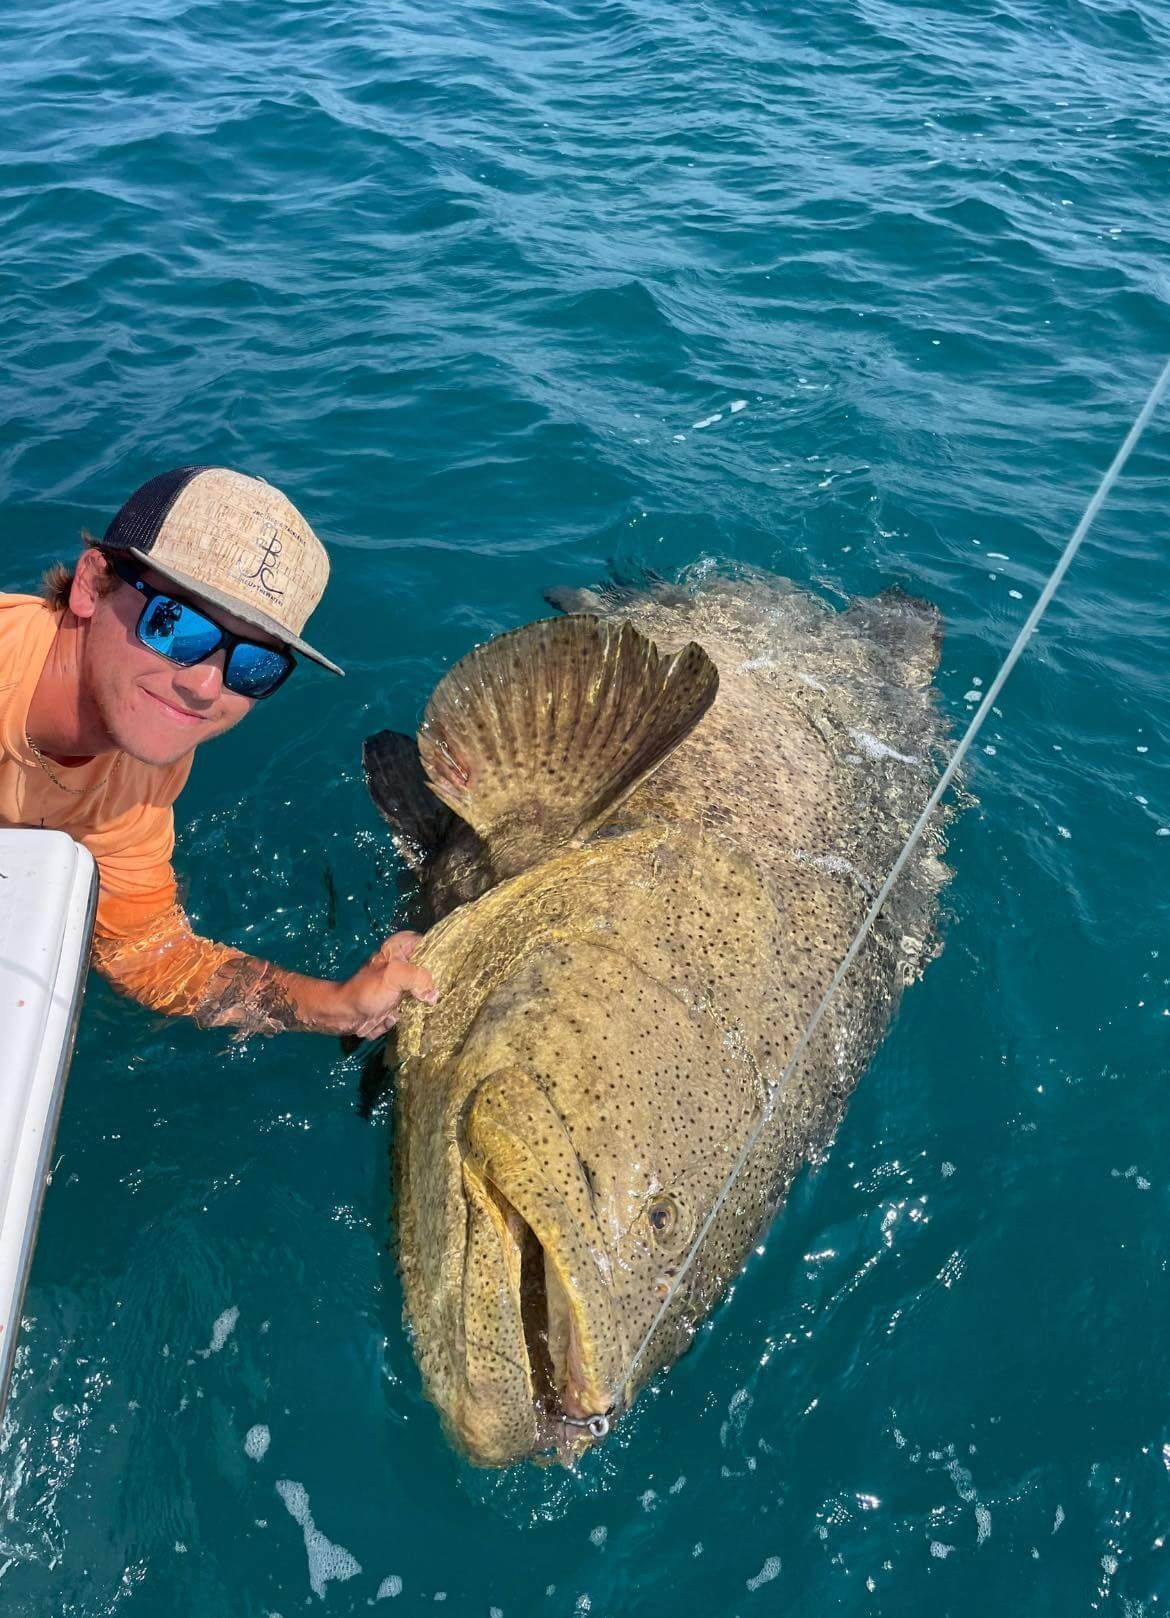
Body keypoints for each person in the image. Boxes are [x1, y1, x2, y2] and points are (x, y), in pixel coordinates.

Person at [0, 464, 436, 1038]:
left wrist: (340, 1005)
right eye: (177, 625)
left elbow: (152, 956)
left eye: (253, 665)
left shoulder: (143, 766)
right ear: (91, 584)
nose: (206, 687)